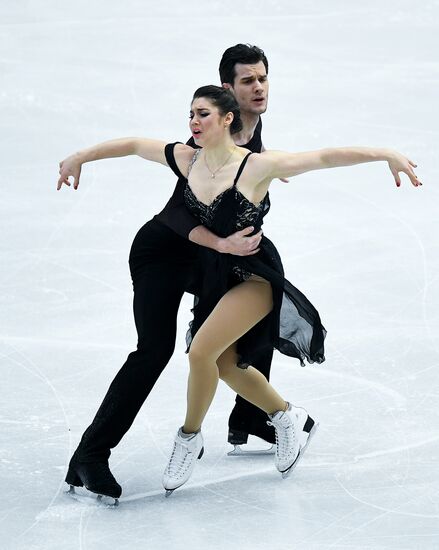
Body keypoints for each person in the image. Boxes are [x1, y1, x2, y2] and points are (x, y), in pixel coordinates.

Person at [59, 85, 420, 499]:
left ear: (228, 119)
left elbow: (324, 157)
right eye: (191, 114)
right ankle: (284, 417)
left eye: (203, 114)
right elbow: (135, 144)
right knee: (225, 364)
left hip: (251, 274)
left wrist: (386, 154)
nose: (193, 122)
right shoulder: (186, 158)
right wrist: (80, 156)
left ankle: (189, 437)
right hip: (207, 272)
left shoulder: (257, 166)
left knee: (200, 353)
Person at [59, 45, 277, 503]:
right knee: (154, 350)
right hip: (165, 250)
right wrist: (80, 155)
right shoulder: (198, 143)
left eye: (261, 80)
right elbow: (176, 211)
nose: (257, 89)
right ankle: (90, 455)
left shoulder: (253, 136)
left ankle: (252, 416)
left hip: (207, 258)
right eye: (246, 83)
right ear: (226, 95)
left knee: (257, 297)